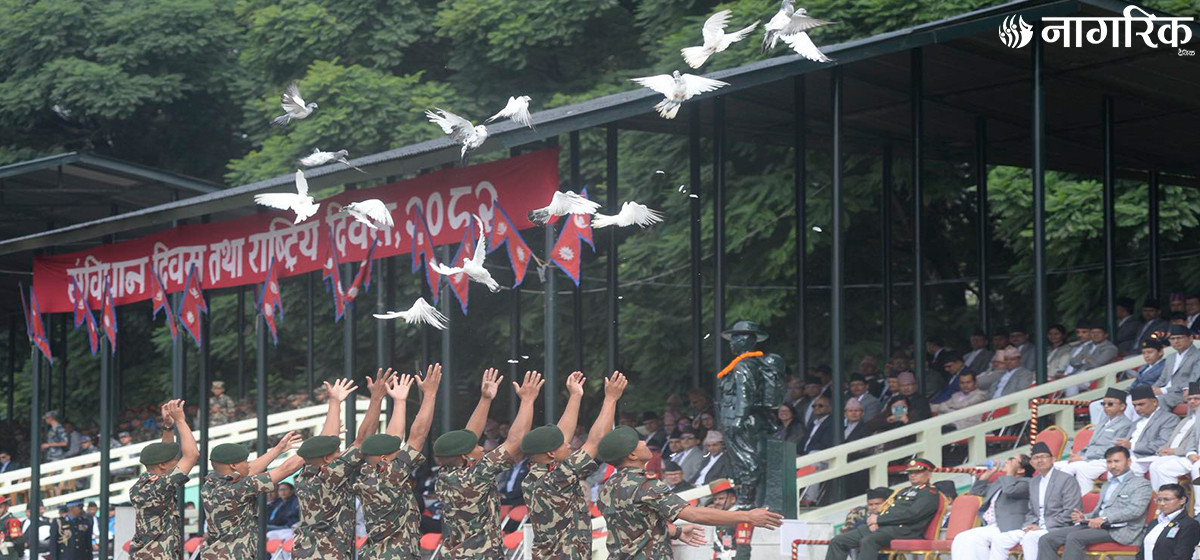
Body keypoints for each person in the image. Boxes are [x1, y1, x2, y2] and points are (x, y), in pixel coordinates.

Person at [596, 425, 781, 559]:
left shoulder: (608, 487)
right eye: (638, 442)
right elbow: (693, 514)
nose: (644, 442)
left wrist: (676, 531)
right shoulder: (646, 485)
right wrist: (747, 516)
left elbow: (634, 526)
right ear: (632, 455)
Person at [433, 369, 541, 560]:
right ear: (465, 456)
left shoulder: (445, 475)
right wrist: (527, 400)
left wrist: (485, 399)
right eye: (476, 446)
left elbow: (468, 437)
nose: (482, 447)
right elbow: (515, 441)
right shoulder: (476, 475)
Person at [522, 371, 627, 559]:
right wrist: (611, 399)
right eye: (564, 445)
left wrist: (575, 396)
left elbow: (560, 437)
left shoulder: (534, 476)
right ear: (551, 454)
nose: (569, 445)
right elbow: (595, 441)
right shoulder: (557, 479)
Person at [354, 364, 441, 560]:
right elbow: (418, 435)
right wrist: (430, 395)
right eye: (397, 451)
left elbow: (392, 438)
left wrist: (400, 402)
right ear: (385, 459)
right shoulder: (392, 476)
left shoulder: (367, 474)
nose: (401, 451)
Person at [291, 375, 381, 560]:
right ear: (326, 459)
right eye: (337, 452)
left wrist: (335, 402)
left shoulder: (303, 475)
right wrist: (376, 398)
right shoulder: (329, 477)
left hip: (304, 553)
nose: (340, 454)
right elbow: (362, 439)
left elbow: (325, 442)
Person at [200, 429, 305, 560]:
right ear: (233, 465)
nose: (248, 465)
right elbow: (286, 469)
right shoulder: (238, 488)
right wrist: (316, 446)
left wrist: (278, 449)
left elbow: (251, 469)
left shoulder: (210, 484)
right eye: (245, 461)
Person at [1037, 447, 1152, 560]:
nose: (1113, 465)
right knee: (1047, 539)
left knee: (1075, 537)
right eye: (1109, 462)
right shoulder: (1107, 484)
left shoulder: (1141, 484)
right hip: (1099, 526)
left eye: (1117, 461)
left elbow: (1135, 510)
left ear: (1129, 462)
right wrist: (1084, 517)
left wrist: (1105, 519)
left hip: (1122, 529)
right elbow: (1099, 511)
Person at [824, 459, 942, 560]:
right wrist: (874, 522)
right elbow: (888, 508)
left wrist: (879, 520)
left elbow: (912, 515)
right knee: (838, 541)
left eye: (917, 472)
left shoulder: (929, 493)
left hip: (904, 531)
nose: (912, 475)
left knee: (868, 541)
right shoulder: (903, 491)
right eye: (910, 472)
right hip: (885, 528)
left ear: (929, 474)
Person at [128, 400, 199, 560]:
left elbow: (164, 453)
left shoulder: (142, 485)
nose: (177, 462)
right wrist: (180, 420)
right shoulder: (159, 487)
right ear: (162, 465)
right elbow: (192, 454)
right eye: (175, 460)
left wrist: (168, 426)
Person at [987, 442, 1082, 560]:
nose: (1040, 460)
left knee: (1030, 538)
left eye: (1043, 457)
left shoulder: (1066, 479)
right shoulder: (1034, 482)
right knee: (1000, 540)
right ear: (1032, 463)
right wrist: (1028, 525)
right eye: (1036, 458)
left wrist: (1044, 526)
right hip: (1035, 528)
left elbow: (1071, 512)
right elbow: (1031, 511)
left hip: (1058, 527)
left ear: (1053, 459)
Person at [949, 453, 1033, 560]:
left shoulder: (1027, 482)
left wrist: (1010, 473)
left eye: (1011, 460)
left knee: (973, 538)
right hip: (994, 527)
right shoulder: (1001, 482)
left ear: (1021, 470)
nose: (1006, 461)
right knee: (962, 537)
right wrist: (988, 474)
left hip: (1011, 528)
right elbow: (976, 492)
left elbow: (1010, 491)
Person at [1055, 388, 1134, 494]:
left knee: (1070, 469)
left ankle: (1080, 500)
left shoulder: (1125, 424)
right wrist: (1078, 455)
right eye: (1103, 404)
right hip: (1089, 458)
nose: (1106, 406)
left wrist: (1083, 458)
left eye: (1110, 404)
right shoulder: (1103, 421)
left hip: (1105, 459)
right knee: (1054, 467)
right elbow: (1091, 444)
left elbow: (1112, 450)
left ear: (1122, 406)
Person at [1088, 339, 1166, 425]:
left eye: (1150, 352)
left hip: (1146, 395)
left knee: (1126, 404)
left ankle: (1124, 428)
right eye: (1144, 353)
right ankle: (1097, 428)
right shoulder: (1144, 368)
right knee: (1095, 405)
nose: (1146, 356)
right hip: (1133, 393)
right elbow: (1134, 384)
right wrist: (1124, 392)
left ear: (1160, 352)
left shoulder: (1165, 366)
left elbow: (1159, 383)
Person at [1147, 382, 1200, 489]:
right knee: (1154, 465)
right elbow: (1174, 439)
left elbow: (1190, 443)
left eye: (1196, 399)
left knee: (1164, 468)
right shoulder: (1185, 420)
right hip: (1186, 455)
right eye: (1189, 399)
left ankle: (1172, 497)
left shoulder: (1196, 421)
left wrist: (1175, 451)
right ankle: (1161, 497)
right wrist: (1164, 449)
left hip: (1183, 455)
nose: (1192, 402)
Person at [1119, 385, 1179, 476]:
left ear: (1154, 402)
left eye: (1141, 404)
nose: (1137, 409)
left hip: (1148, 458)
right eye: (1134, 405)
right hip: (1129, 456)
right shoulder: (1136, 422)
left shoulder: (1169, 419)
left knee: (1124, 467)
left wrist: (1132, 446)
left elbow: (1163, 443)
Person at [1135, 483, 1200, 560]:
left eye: (1167, 499)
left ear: (1182, 500)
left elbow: (1182, 555)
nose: (1162, 503)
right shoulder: (1154, 523)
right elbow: (1141, 552)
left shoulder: (1189, 524)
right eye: (1159, 500)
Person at [1152, 325, 1199, 411]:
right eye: (1172, 339)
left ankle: (1165, 420)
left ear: (1190, 338)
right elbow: (1162, 379)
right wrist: (1151, 390)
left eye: (1179, 338)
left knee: (1157, 401)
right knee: (1134, 399)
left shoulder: (1197, 355)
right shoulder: (1171, 357)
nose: (1176, 341)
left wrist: (1164, 390)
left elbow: (1193, 380)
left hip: (1182, 393)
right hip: (1165, 392)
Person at [0, 496, 23, 560]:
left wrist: (20, 554)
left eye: (0, 507)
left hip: (9, 556)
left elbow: (19, 542)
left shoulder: (12, 521)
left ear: (7, 507)